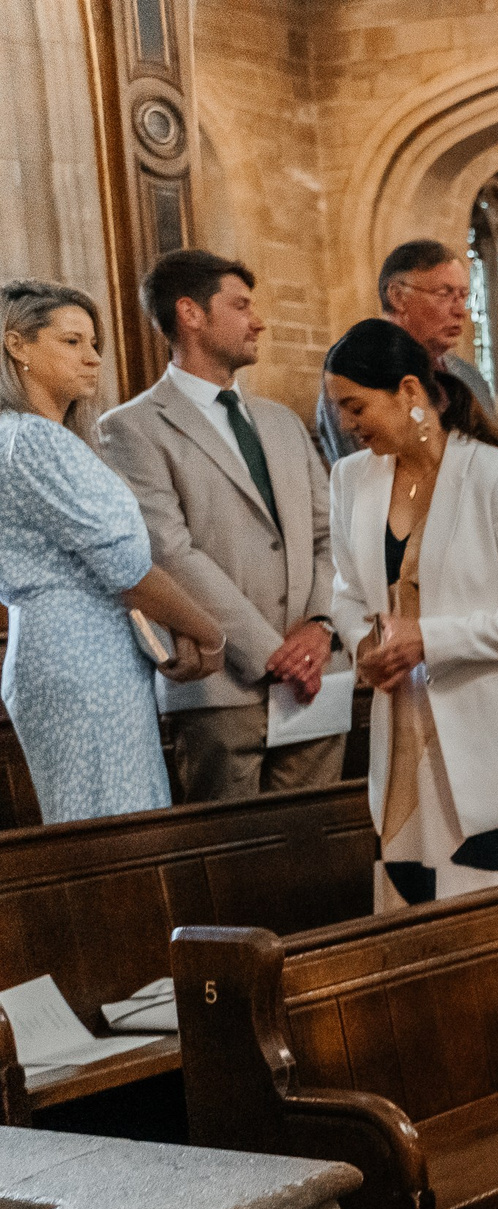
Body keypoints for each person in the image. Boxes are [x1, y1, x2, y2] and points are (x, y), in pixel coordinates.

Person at [320, 320, 498, 907]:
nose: (345, 423)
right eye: (338, 408)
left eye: (354, 405)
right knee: (419, 917)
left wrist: (431, 639)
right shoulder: (350, 480)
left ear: (410, 392)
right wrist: (362, 644)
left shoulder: (496, 477)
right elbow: (346, 589)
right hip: (405, 731)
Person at [98, 249, 342, 800]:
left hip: (314, 678)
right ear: (191, 313)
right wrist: (269, 653)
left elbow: (332, 536)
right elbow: (168, 553)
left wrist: (319, 627)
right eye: (240, 306)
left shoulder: (280, 421)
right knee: (231, 867)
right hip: (222, 686)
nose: (258, 321)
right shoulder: (132, 429)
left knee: (317, 852)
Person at [0, 279, 224, 822]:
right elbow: (128, 571)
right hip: (79, 655)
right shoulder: (32, 439)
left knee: (107, 823)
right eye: (72, 342)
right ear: (17, 345)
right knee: (115, 827)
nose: (93, 357)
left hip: (69, 648)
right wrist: (210, 632)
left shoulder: (20, 436)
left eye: (95, 343)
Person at [315, 241, 498, 465]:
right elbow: (364, 469)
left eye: (463, 296)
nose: (460, 311)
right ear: (397, 296)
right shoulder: (352, 376)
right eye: (444, 293)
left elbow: (496, 459)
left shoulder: (470, 378)